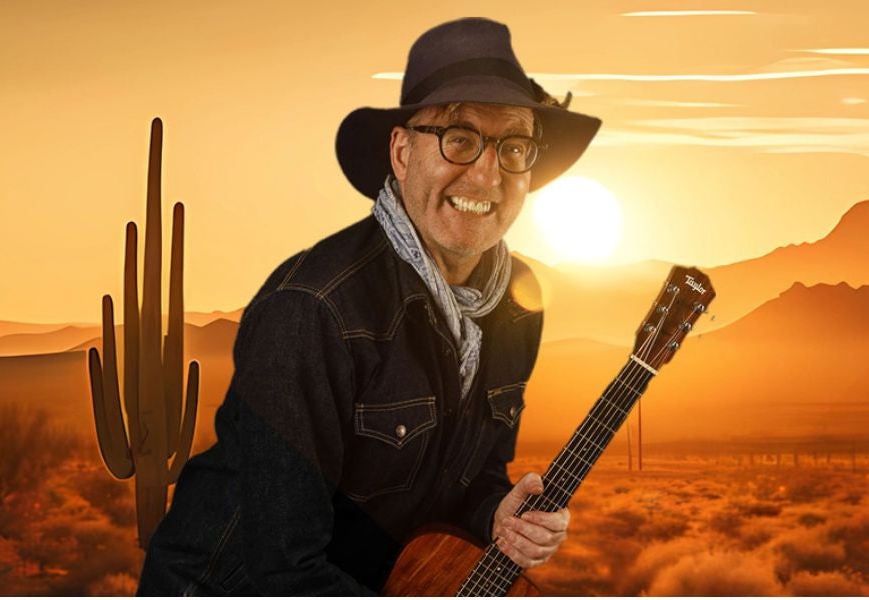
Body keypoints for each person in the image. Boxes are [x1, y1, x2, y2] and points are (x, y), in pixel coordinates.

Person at [137, 17, 600, 595]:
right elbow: (282, 572)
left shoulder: (515, 301)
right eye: (459, 137)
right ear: (403, 152)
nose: (486, 172)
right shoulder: (312, 311)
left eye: (513, 145)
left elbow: (471, 475)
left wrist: (495, 516)